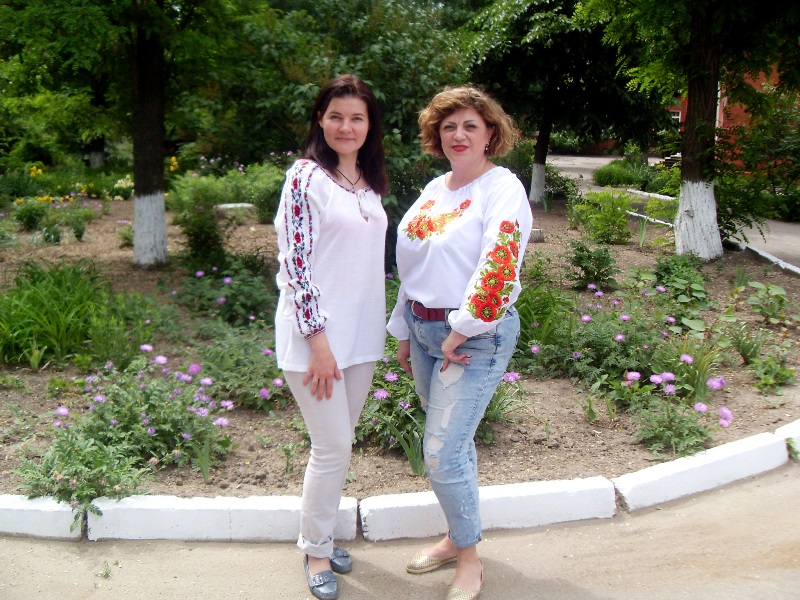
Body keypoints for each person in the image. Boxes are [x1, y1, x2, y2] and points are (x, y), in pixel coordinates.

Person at [386, 86, 533, 600]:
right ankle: (456, 537)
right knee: (453, 446)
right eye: (448, 126)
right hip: (425, 331)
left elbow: (500, 263)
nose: (458, 134)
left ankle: (469, 559)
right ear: (437, 135)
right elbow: (414, 265)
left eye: (470, 125)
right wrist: (404, 329)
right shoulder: (435, 189)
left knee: (441, 454)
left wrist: (461, 329)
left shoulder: (502, 188)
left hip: (472, 338)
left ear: (491, 132)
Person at [274, 74, 388, 600]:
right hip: (314, 340)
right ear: (320, 119)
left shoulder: (368, 181)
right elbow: (295, 265)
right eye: (336, 116)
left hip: (360, 337)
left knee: (339, 448)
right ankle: (316, 549)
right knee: (332, 447)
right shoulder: (306, 177)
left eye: (357, 117)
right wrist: (318, 342)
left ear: (369, 125)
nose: (346, 126)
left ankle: (322, 534)